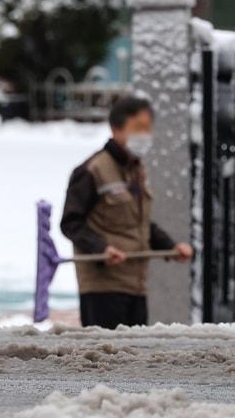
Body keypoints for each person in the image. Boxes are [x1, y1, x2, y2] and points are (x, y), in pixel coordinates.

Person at [60, 96, 194, 329]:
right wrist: (101, 248)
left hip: (136, 284)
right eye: (138, 128)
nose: (145, 135)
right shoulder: (93, 170)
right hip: (103, 286)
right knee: (105, 359)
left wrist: (171, 247)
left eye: (148, 128)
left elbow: (139, 224)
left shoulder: (136, 169)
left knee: (134, 358)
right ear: (116, 128)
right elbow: (71, 223)